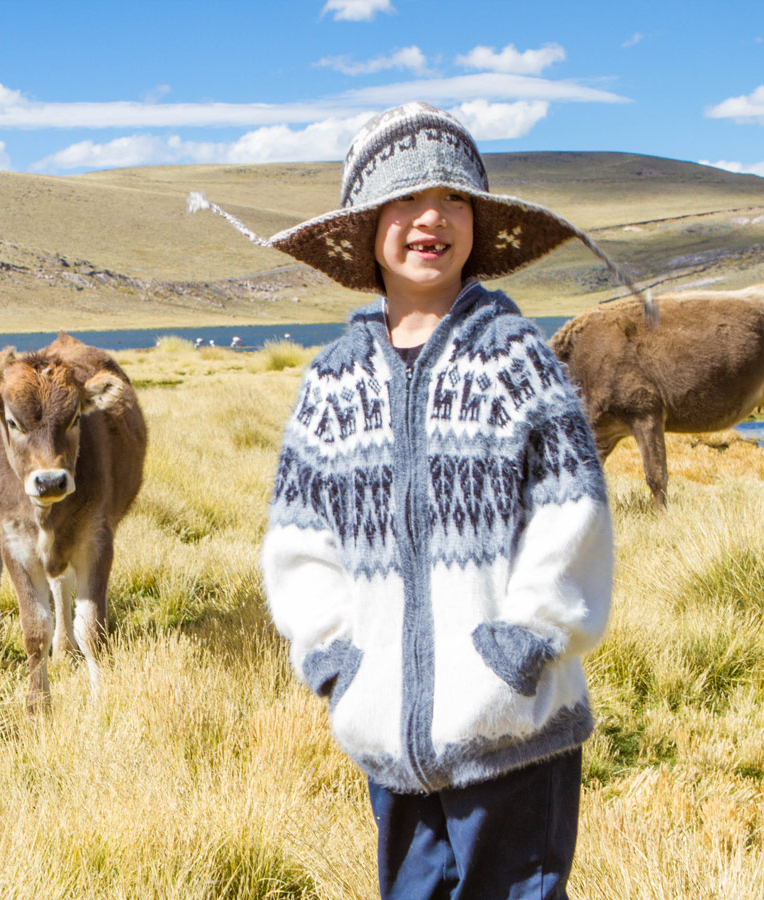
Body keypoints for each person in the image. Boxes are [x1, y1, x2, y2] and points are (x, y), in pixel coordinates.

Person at [192, 102, 615, 900]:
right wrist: (332, 659)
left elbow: (572, 513)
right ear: (366, 229)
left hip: (514, 730)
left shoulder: (517, 359)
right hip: (386, 731)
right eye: (406, 199)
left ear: (478, 224)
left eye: (454, 198)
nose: (433, 217)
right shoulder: (332, 379)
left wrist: (520, 648)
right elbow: (299, 537)